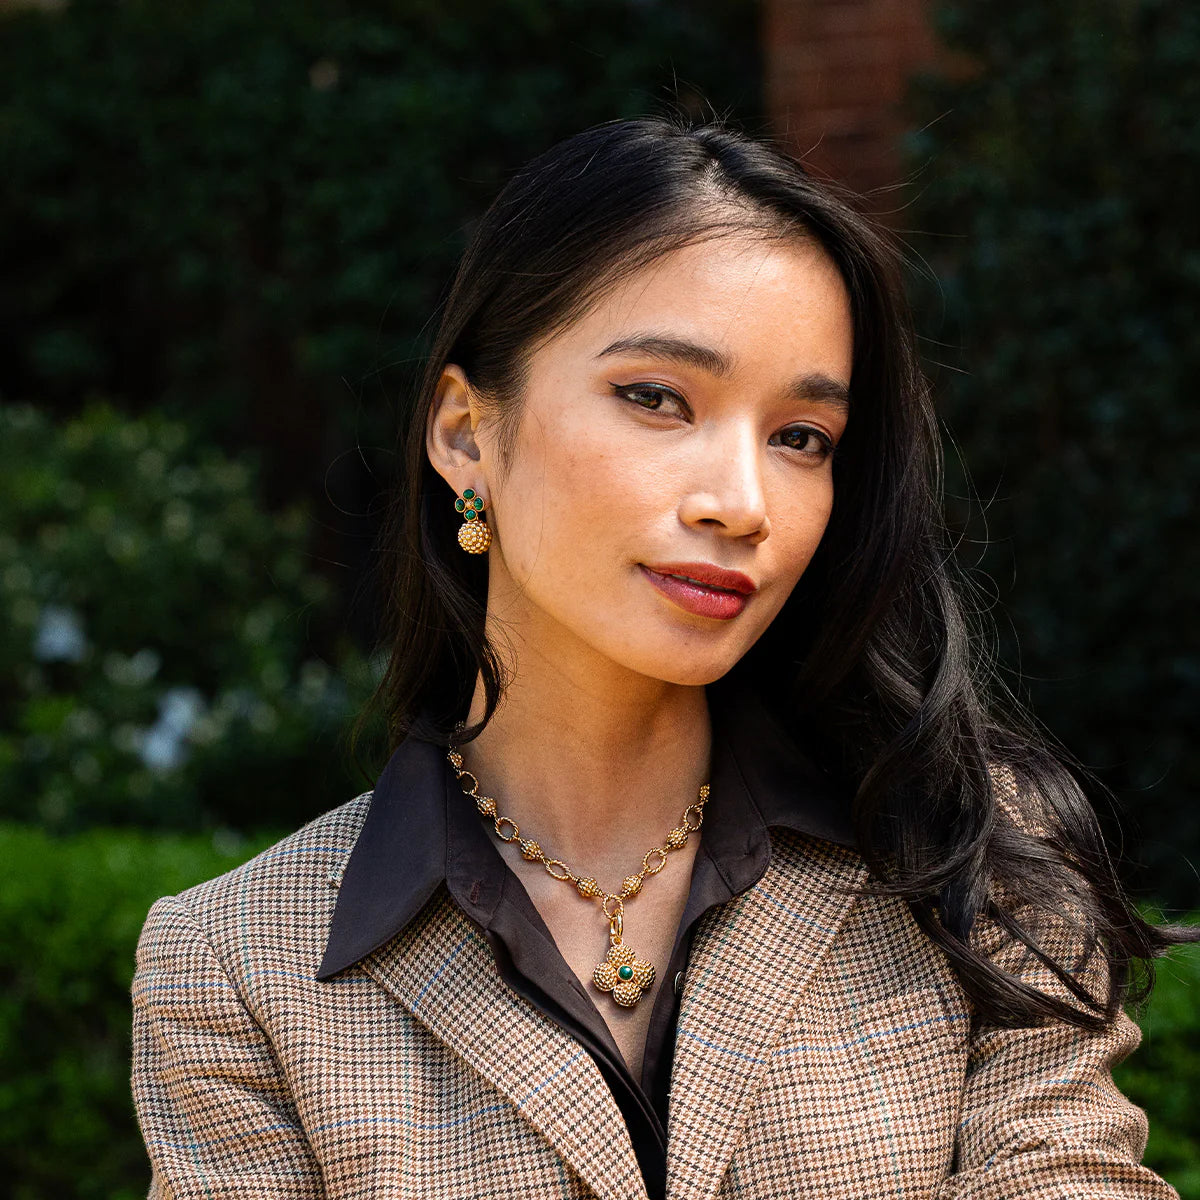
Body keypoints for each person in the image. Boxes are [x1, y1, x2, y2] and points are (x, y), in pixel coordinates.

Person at [130, 116, 1195, 1200]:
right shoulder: (238, 966)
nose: (742, 503)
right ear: (464, 434)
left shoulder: (973, 854)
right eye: (656, 398)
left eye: (801, 438)